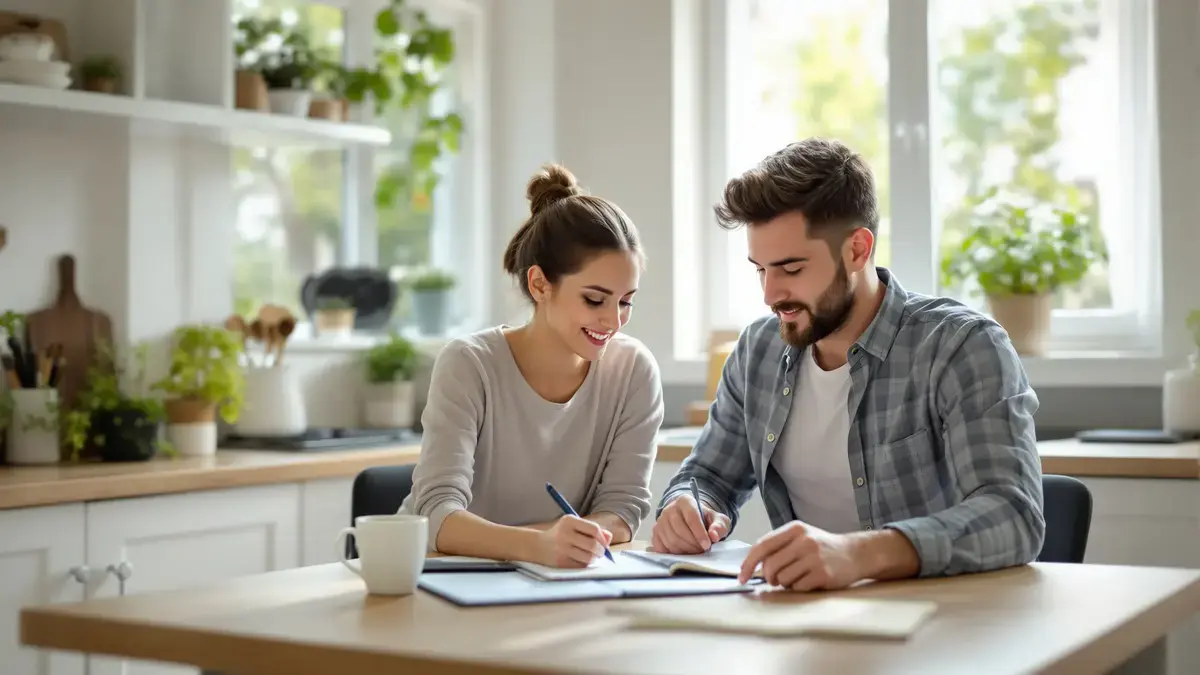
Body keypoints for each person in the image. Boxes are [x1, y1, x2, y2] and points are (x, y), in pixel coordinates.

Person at [652, 138, 1044, 590]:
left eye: (792, 269)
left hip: (940, 624)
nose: (770, 294)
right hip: (809, 620)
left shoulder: (960, 346)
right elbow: (709, 476)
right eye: (760, 269)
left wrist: (860, 554)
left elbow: (1014, 514)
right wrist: (688, 505)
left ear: (857, 250)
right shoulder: (756, 352)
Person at [398, 163, 664, 569]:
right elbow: (436, 516)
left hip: (548, 580)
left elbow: (623, 511)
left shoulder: (634, 371)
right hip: (439, 577)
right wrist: (538, 545)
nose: (613, 320)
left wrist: (555, 544)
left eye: (625, 300)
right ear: (540, 284)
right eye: (595, 299)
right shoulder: (469, 364)